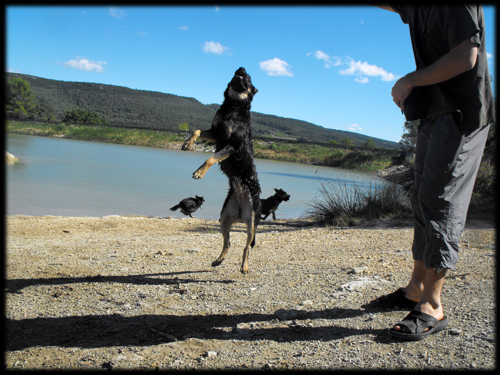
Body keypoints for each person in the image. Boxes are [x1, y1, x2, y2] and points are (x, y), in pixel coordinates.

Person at [371, 5, 495, 341]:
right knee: (422, 198)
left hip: (462, 114)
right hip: (434, 110)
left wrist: (410, 80)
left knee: (441, 201)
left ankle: (432, 304)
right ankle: (415, 288)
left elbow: (465, 56)